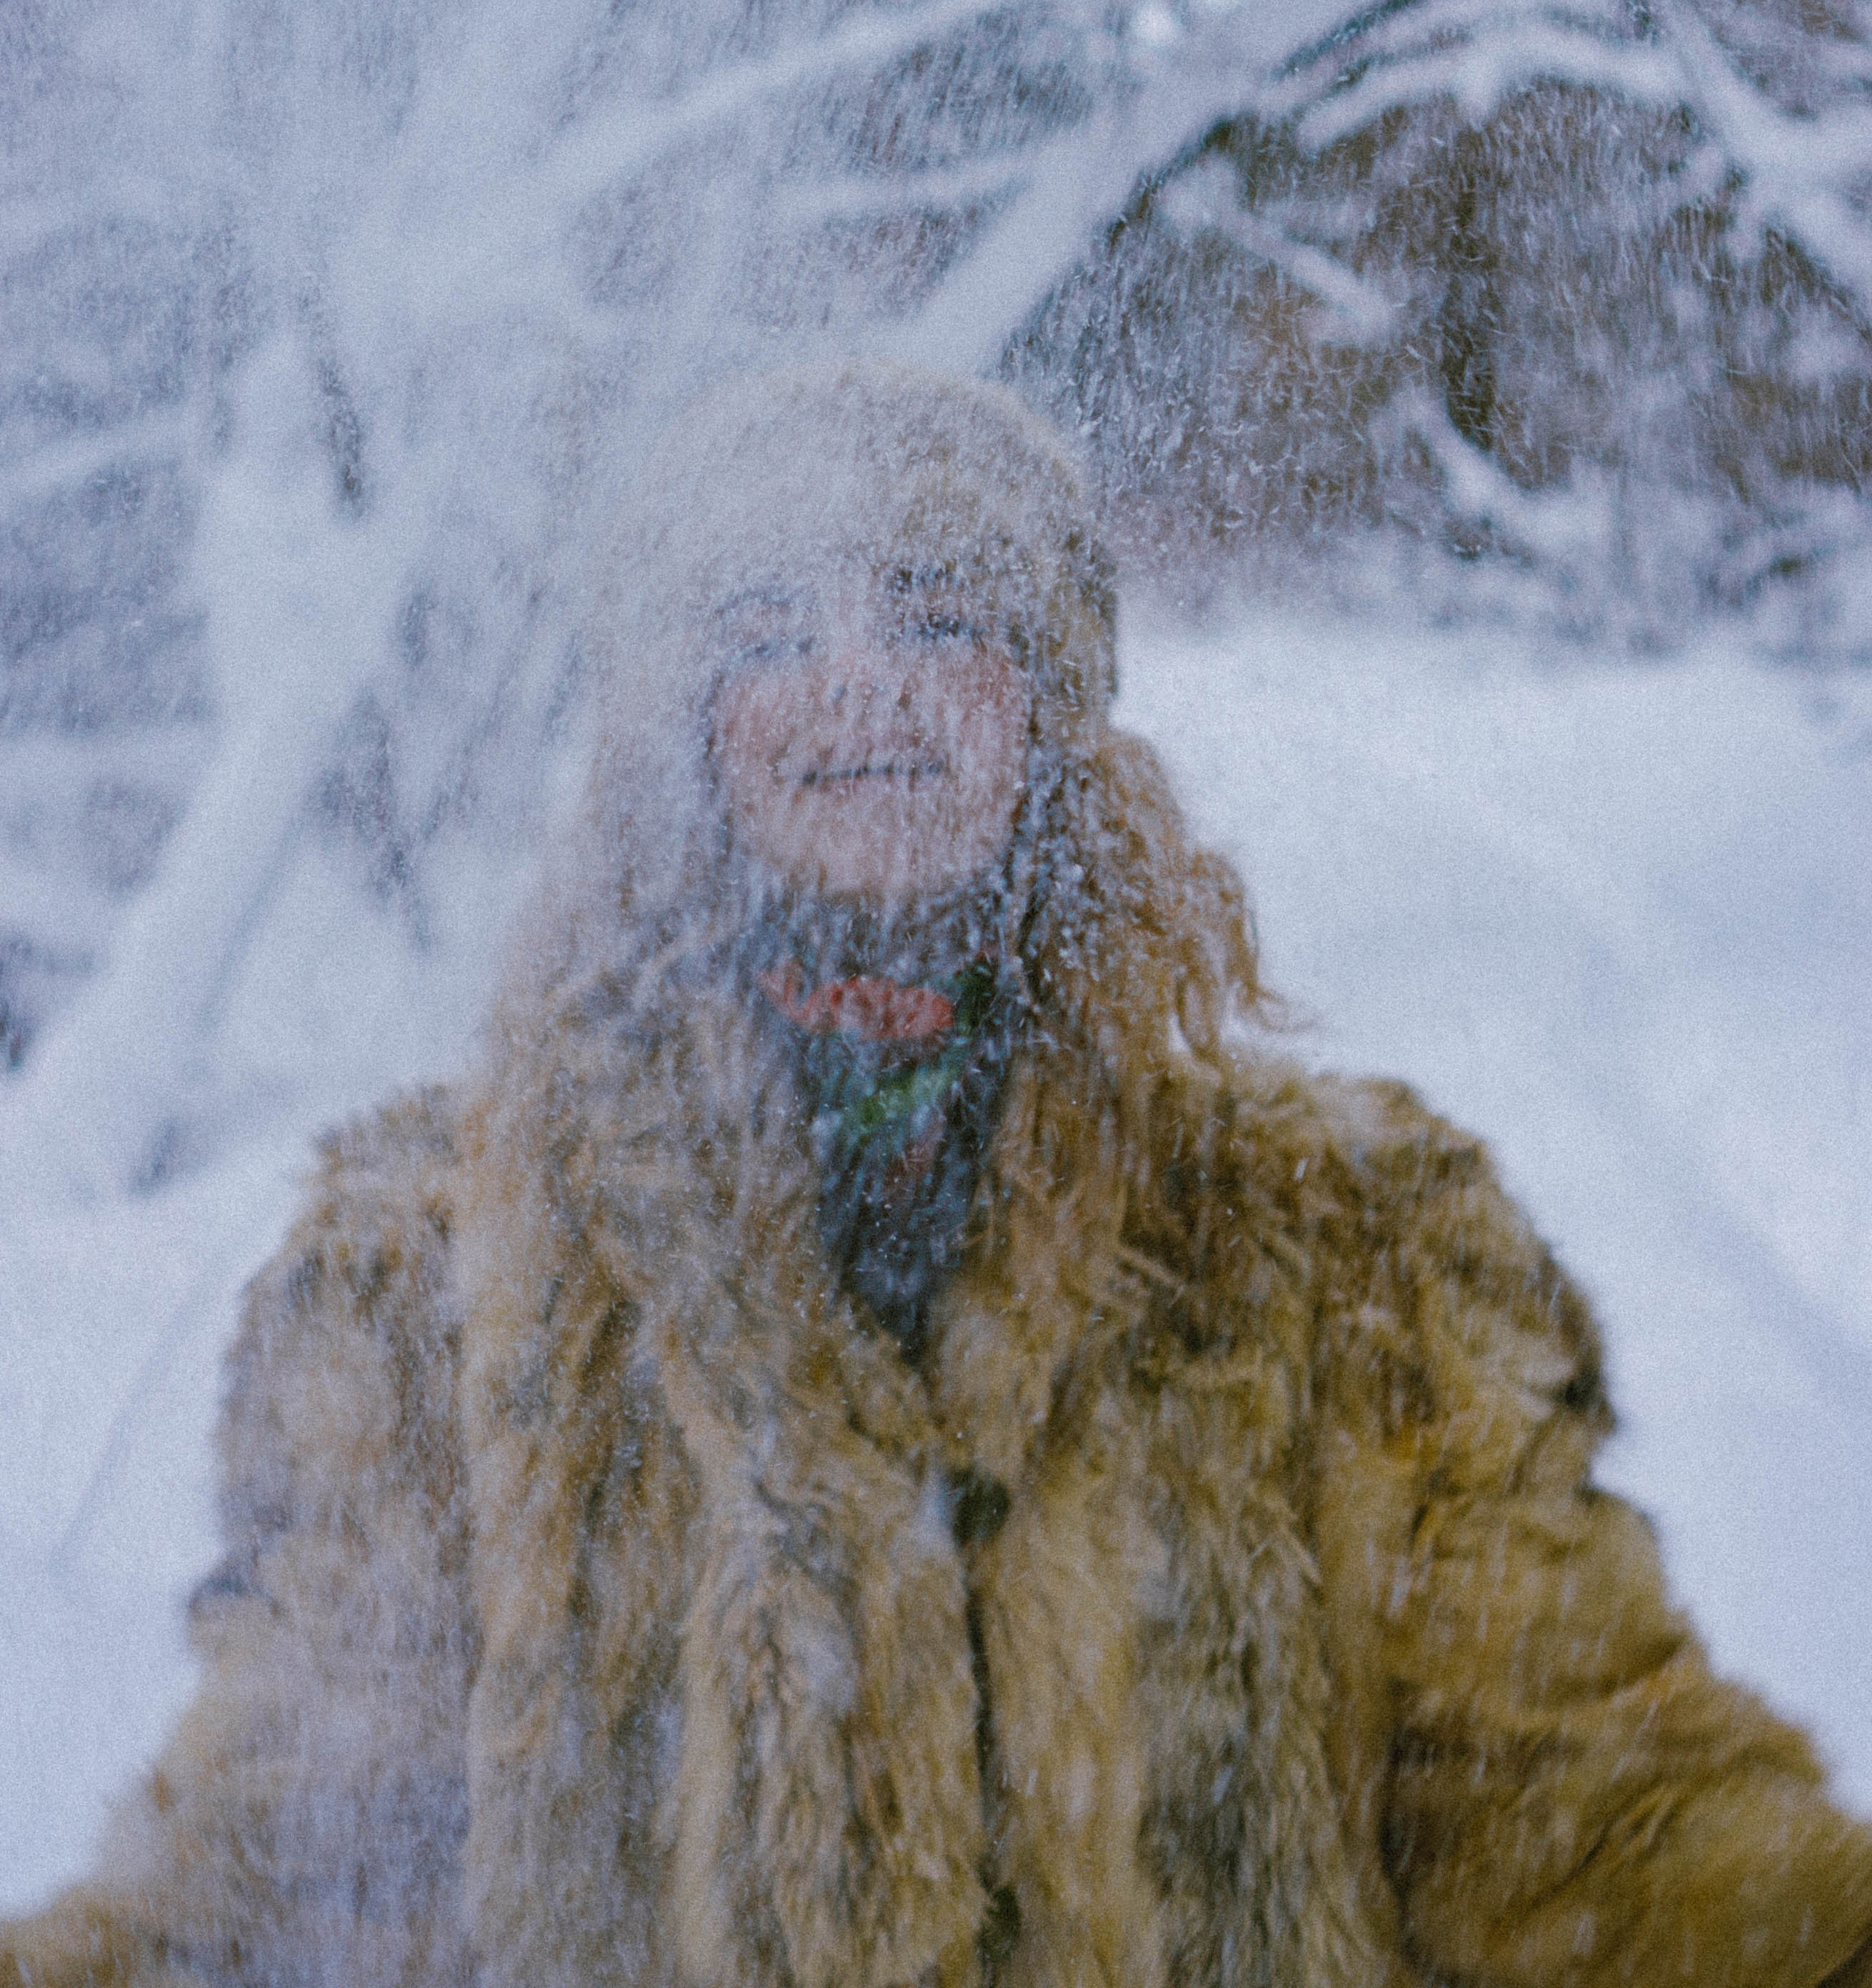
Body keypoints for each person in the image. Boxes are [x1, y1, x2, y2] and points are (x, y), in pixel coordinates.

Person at [5, 361, 1869, 1988]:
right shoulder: (432, 1280)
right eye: (767, 632)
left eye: (934, 611)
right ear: (676, 737)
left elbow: (1587, 1815)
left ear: (1052, 705)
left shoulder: (1353, 1252)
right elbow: (285, 1875)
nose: (861, 687)